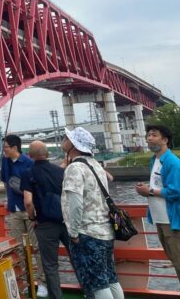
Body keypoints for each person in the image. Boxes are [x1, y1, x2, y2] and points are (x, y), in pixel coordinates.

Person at [61, 127, 124, 299]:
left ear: (74, 145)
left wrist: (73, 233)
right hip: (105, 231)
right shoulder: (96, 165)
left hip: (87, 233)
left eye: (67, 138)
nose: (64, 140)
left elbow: (75, 204)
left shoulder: (74, 168)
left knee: (97, 283)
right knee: (110, 277)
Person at [134, 123, 180, 298]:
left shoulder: (173, 163)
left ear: (165, 140)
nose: (149, 138)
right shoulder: (155, 160)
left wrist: (149, 191)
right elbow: (160, 187)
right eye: (148, 135)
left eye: (154, 135)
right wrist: (148, 189)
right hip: (162, 220)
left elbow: (178, 192)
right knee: (177, 261)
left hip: (175, 220)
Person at [22, 141, 72, 299]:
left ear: (30, 156)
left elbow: (28, 201)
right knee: (76, 258)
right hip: (66, 222)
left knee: (50, 265)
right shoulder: (60, 171)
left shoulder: (28, 173)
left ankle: (57, 296)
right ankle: (89, 291)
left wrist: (32, 217)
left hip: (45, 224)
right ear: (48, 154)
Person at [1, 134, 45, 296]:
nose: (3, 150)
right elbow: (6, 182)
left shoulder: (29, 163)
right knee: (17, 248)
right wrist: (8, 200)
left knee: (37, 247)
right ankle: (25, 282)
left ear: (14, 148)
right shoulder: (5, 162)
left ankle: (42, 283)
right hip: (13, 210)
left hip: (30, 210)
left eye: (5, 147)